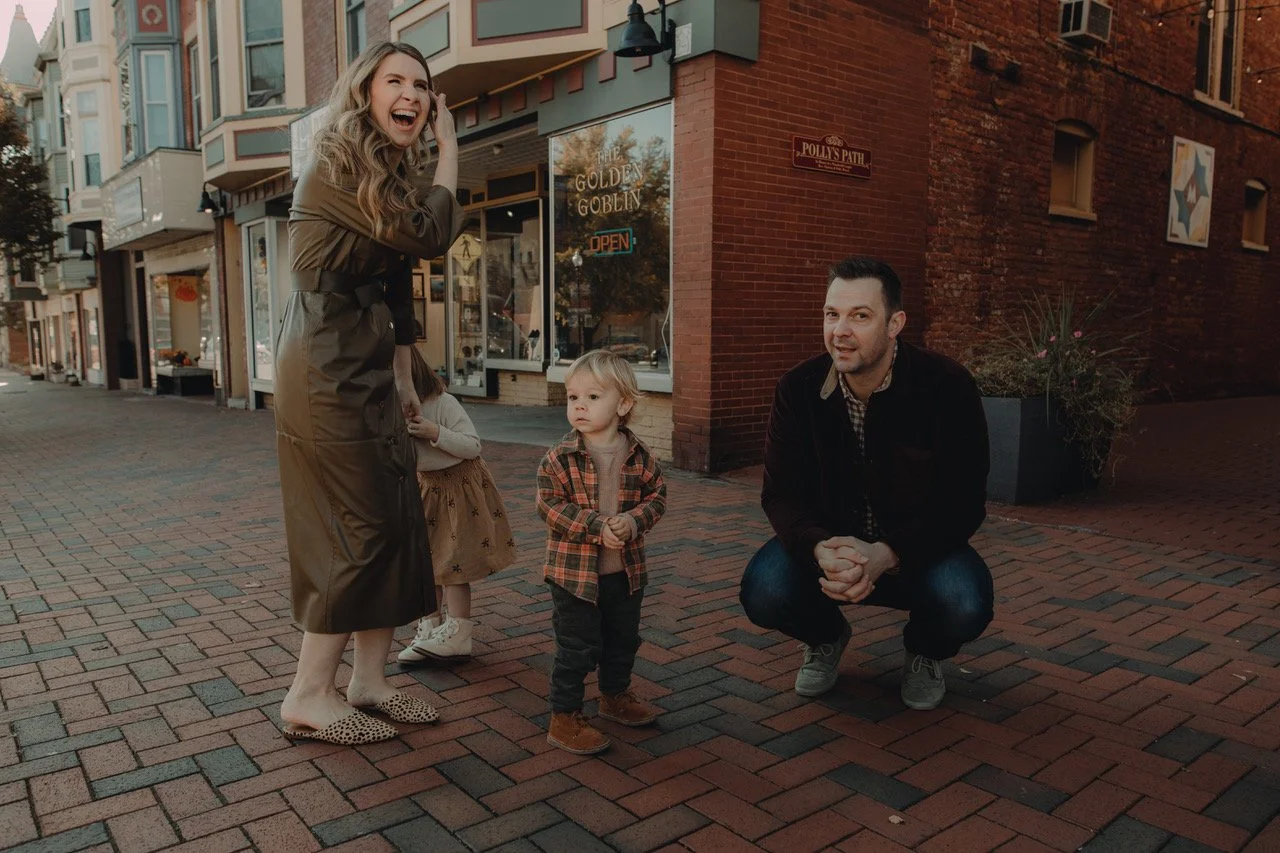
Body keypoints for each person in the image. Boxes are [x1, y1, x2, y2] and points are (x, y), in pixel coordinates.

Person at [275, 41, 462, 745]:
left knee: (393, 517)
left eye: (421, 83)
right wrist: (449, 150)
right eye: (397, 81)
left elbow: (394, 279)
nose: (412, 94)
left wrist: (405, 370)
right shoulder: (335, 164)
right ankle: (307, 693)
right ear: (366, 92)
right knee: (353, 528)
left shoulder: (384, 166)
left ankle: (370, 680)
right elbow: (428, 235)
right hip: (325, 362)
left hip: (366, 351)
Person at [739, 257, 993, 711]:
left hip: (917, 550)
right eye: (831, 314)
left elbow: (964, 501)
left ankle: (924, 651)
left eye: (860, 315)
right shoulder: (797, 389)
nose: (840, 330)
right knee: (765, 590)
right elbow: (781, 493)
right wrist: (818, 548)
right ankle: (826, 636)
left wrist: (888, 554)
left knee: (964, 602)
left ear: (895, 323)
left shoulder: (946, 386)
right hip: (832, 548)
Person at [536, 351, 667, 754]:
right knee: (577, 647)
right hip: (574, 576)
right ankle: (565, 716)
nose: (579, 405)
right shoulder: (560, 458)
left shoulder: (639, 455)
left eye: (593, 397)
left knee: (622, 639)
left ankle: (614, 696)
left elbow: (657, 497)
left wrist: (634, 522)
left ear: (623, 404)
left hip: (625, 574)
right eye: (573, 396)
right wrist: (596, 526)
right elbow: (549, 506)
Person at [397, 349, 516, 663]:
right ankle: (430, 628)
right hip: (425, 490)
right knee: (427, 565)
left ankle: (458, 632)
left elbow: (472, 445)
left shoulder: (443, 403)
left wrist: (435, 432)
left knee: (453, 563)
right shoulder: (389, 411)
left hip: (457, 490)